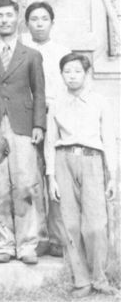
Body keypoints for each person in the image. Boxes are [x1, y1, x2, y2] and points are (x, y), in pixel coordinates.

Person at [0, 0, 46, 265]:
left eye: (8, 15)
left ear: (17, 19)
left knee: (24, 184)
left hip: (22, 126)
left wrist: (38, 124)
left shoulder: (31, 55)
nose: (4, 20)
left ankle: (27, 245)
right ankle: (4, 243)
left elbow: (39, 92)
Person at [45, 53, 118, 298]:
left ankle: (99, 277)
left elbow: (109, 139)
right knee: (71, 224)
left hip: (92, 161)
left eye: (77, 71)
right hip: (64, 160)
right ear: (62, 74)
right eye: (67, 71)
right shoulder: (57, 104)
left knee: (96, 225)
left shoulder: (100, 102)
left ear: (88, 75)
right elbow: (50, 141)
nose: (72, 76)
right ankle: (81, 280)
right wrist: (51, 176)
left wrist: (113, 176)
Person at [23, 1, 70, 258]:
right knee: (32, 179)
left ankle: (58, 238)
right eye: (33, 19)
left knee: (55, 177)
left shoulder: (62, 51)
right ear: (26, 23)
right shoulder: (21, 49)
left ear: (52, 22)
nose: (39, 24)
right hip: (28, 118)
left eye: (44, 19)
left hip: (55, 117)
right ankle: (38, 236)